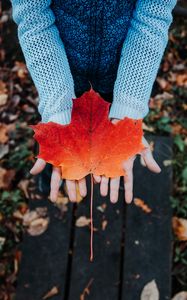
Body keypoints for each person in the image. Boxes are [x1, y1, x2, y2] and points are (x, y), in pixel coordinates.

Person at [10, 0, 177, 204]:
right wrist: (57, 108)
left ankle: (115, 166)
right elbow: (33, 17)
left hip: (123, 73)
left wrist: (129, 108)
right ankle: (51, 175)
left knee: (114, 136)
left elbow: (153, 16)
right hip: (59, 73)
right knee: (57, 135)